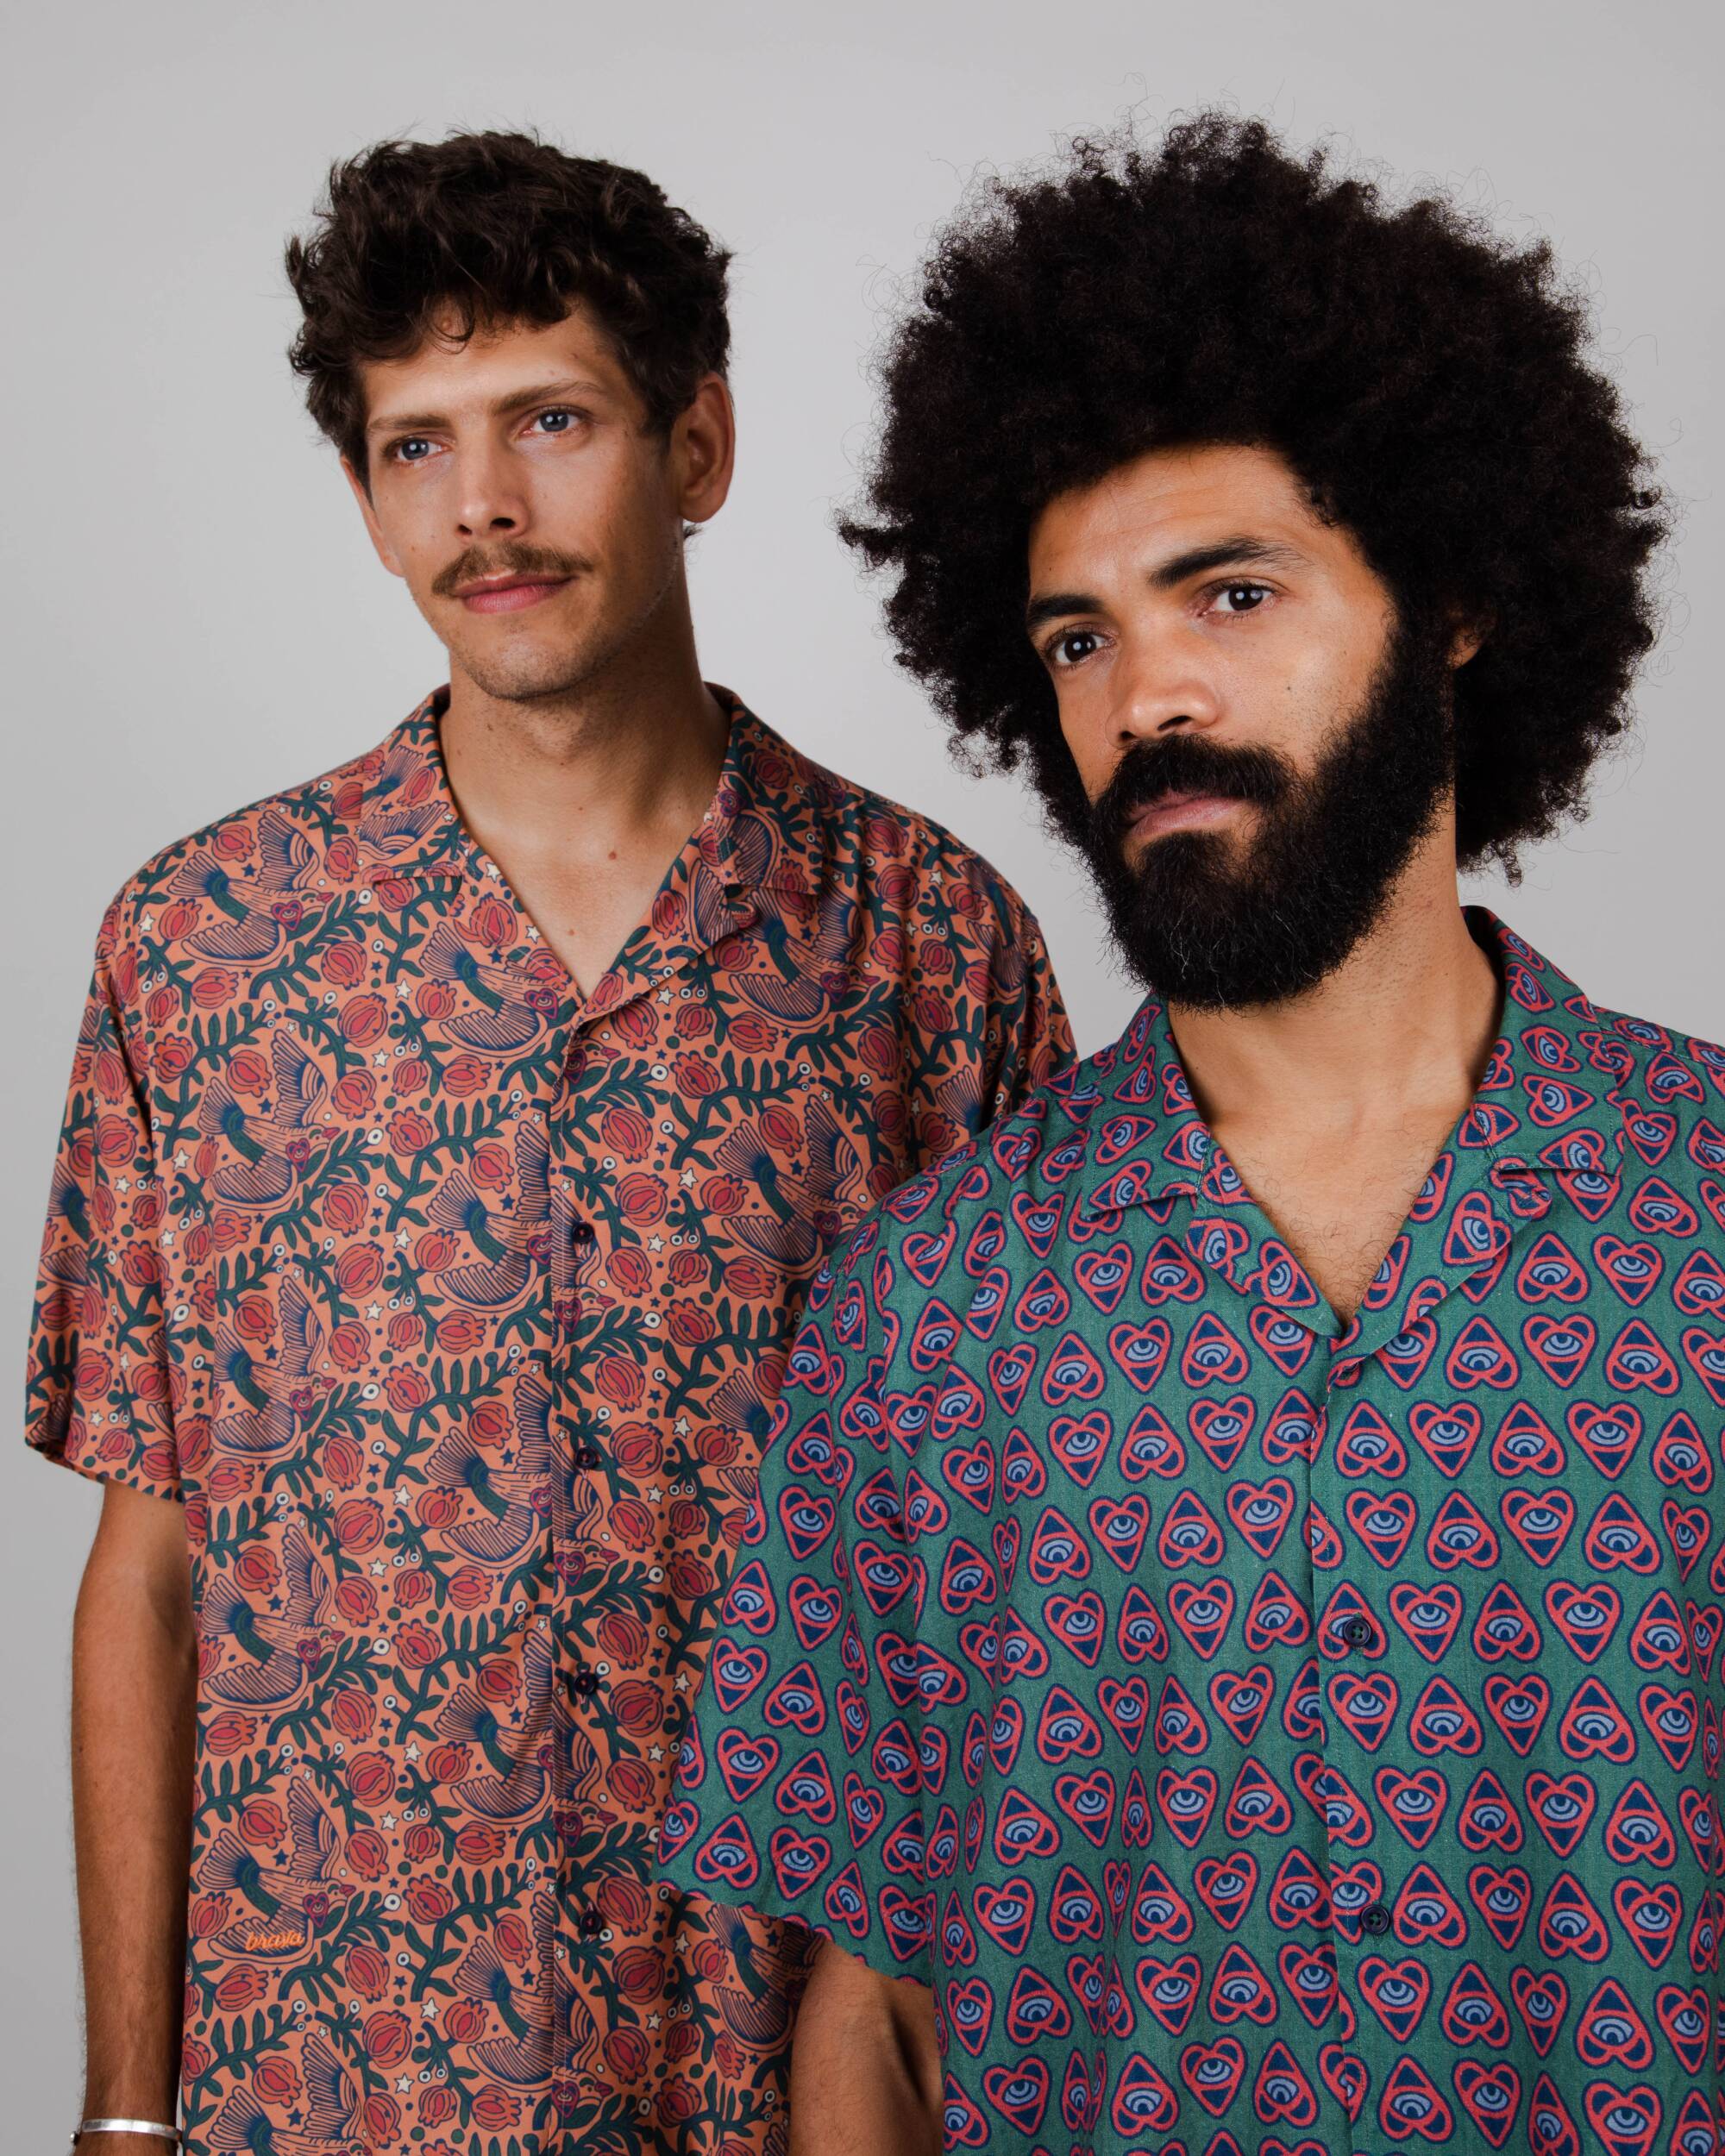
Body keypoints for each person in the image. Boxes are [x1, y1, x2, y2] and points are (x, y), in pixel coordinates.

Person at [657, 115, 1701, 2155]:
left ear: (1450, 599)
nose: (1144, 694)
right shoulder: (926, 1310)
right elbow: (874, 2016)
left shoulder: (1707, 1212)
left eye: (1228, 591)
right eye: (1079, 636)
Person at [27, 131, 1070, 2156]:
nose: (483, 505)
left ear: (698, 446)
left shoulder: (933, 948)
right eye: (415, 446)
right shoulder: (199, 945)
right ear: (364, 498)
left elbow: (1024, 1587)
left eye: (552, 421)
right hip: (327, 2095)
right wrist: (126, 2117)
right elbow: (149, 1572)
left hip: (786, 2088)